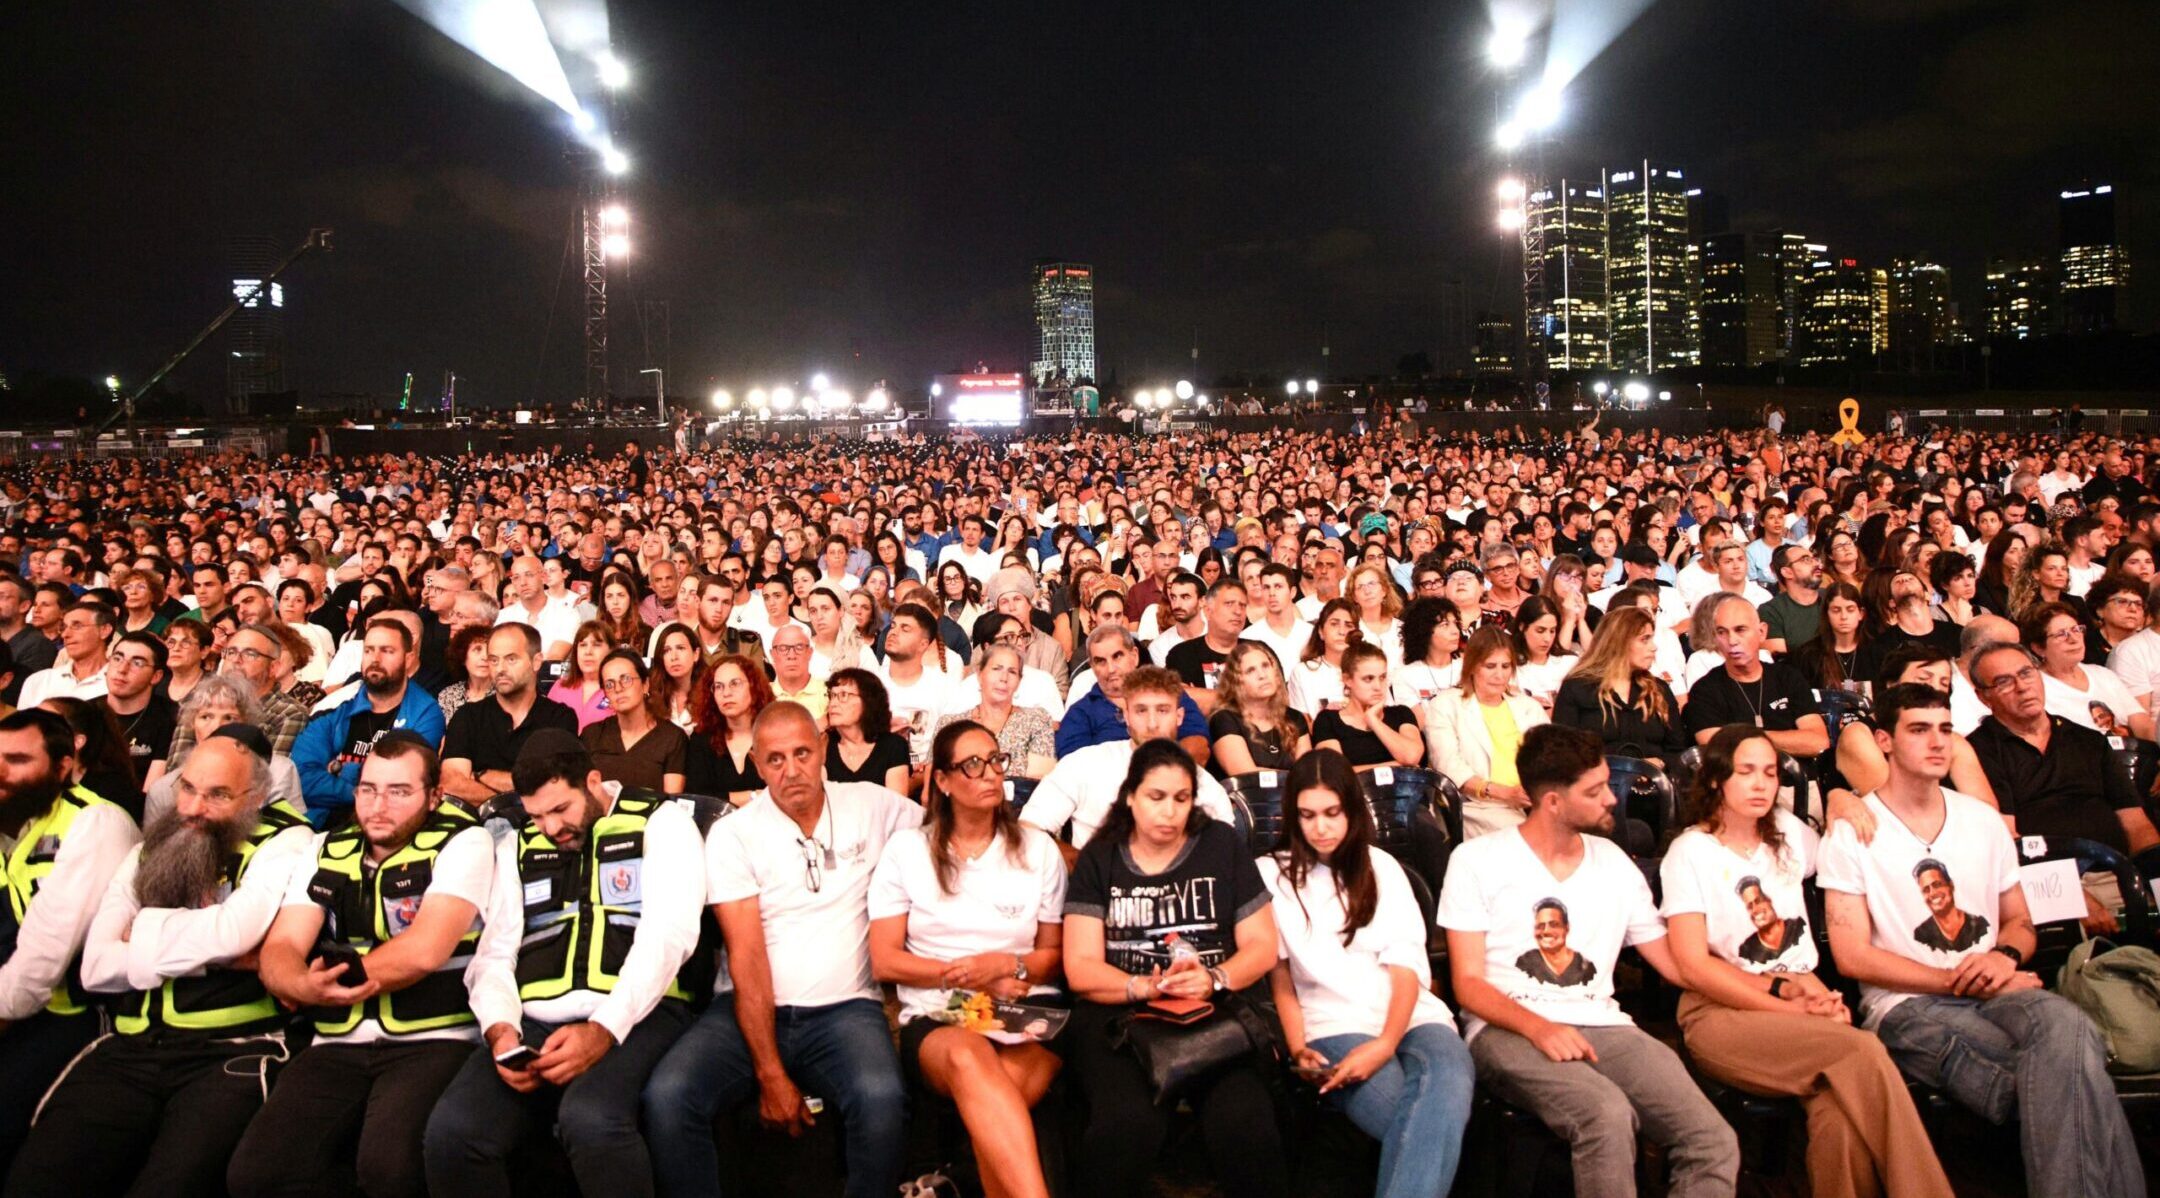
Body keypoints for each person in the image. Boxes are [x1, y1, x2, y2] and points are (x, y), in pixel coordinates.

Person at [1819, 682, 2146, 1198]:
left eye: (1945, 729)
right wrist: (1960, 979)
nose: (1937, 742)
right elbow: (1852, 955)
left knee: (2069, 1028)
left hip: (1997, 987)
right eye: (1919, 730)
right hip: (1908, 1004)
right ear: (1884, 741)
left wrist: (2004, 956)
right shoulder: (1854, 831)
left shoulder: (1982, 821)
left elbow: (2019, 921)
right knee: (2069, 1074)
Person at [1437, 723, 1739, 1198]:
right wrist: (1540, 1028)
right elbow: (1468, 984)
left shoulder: (1613, 861)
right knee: (1605, 1113)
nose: (1612, 799)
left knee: (1712, 1140)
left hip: (1604, 1024)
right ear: (1553, 802)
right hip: (1506, 1027)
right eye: (1595, 791)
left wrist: (1772, 988)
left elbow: (1675, 963)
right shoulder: (1476, 860)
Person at [7, 731, 314, 1198]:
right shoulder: (157, 841)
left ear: (255, 797)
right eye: (187, 788)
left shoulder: (287, 840)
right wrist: (217, 956)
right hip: (129, 1045)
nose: (193, 808)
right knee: (37, 1180)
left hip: (231, 1050)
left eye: (217, 795)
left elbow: (233, 932)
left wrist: (143, 929)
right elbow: (97, 966)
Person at [1661, 724, 1954, 1198]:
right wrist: (1789, 1004)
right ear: (1716, 778)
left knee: (1839, 1111)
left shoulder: (1789, 835)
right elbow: (1694, 967)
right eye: (1745, 772)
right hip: (1721, 1008)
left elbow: (1855, 855)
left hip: (1804, 993)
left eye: (1770, 773)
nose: (1761, 784)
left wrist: (1838, 798)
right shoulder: (1689, 852)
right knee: (1861, 1052)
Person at [642, 702, 919, 1198]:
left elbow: (949, 832)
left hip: (845, 1010)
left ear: (823, 748)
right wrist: (770, 1071)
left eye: (802, 753)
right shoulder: (734, 833)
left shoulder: (875, 806)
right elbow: (746, 955)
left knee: (881, 1098)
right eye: (775, 759)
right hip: (746, 1008)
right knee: (668, 1096)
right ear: (755, 763)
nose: (791, 770)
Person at [423, 730, 703, 1198]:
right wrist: (500, 1030)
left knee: (591, 1119)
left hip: (642, 1015)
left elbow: (669, 936)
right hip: (533, 1025)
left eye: (560, 809)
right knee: (453, 1132)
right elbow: (494, 953)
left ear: (593, 781)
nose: (551, 827)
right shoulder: (516, 845)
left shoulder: (661, 822)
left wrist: (603, 1028)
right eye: (536, 816)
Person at [229, 734, 494, 1198]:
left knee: (389, 1170)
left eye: (399, 792)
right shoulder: (326, 846)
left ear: (434, 796)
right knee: (254, 1176)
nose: (379, 806)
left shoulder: (465, 840)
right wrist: (296, 982)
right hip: (336, 1040)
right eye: (368, 789)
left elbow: (424, 950)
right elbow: (284, 943)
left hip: (436, 1039)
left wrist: (322, 984)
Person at [1059, 739, 1289, 1198]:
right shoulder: (1101, 856)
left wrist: (1214, 978)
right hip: (1120, 1019)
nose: (1169, 812)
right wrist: (1144, 986)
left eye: (1181, 799)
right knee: (1128, 1124)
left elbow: (1262, 945)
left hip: (1212, 1013)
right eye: (1156, 797)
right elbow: (1080, 968)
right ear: (1130, 797)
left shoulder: (1220, 844)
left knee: (1244, 1122)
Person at [868, 721, 1067, 1198]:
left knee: (993, 1102)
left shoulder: (1038, 850)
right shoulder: (907, 851)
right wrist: (964, 975)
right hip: (941, 1015)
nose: (991, 773)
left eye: (996, 760)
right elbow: (884, 961)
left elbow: (1054, 957)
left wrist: (1007, 966)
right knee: (969, 1057)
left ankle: (960, 1178)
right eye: (973, 764)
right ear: (942, 780)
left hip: (1027, 1011)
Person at [1263, 748, 1473, 1198]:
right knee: (1424, 1123)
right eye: (1307, 815)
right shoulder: (1270, 875)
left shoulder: (1382, 866)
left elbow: (1406, 968)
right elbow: (1280, 977)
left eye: (1332, 813)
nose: (1320, 827)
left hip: (1412, 1016)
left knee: (1449, 1084)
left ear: (1352, 811)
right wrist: (1297, 1047)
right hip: (1332, 1025)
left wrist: (1385, 1044)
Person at [0, 708, 140, 1172]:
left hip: (72, 1014)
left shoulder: (95, 824)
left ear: (63, 767)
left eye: (18, 760)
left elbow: (41, 961)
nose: (2, 772)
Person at [1964, 639, 2160, 927]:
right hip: (2038, 883)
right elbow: (2006, 841)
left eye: (2026, 673)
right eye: (2004, 682)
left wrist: (2156, 884)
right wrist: (2070, 896)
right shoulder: (1978, 752)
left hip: (2120, 874)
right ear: (1983, 697)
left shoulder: (2089, 740)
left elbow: (2136, 825)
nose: (2022, 687)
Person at [1022, 666, 1233, 854]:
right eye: (1141, 711)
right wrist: (1086, 868)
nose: (1152, 723)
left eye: (1162, 710)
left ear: (1179, 717)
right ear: (1127, 716)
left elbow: (1224, 856)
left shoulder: (1206, 787)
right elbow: (1030, 829)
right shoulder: (1084, 764)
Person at [289, 616, 446, 826]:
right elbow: (302, 776)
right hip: (320, 824)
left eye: (387, 651)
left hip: (390, 825)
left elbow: (402, 783)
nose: (375, 659)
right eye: (369, 650)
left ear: (408, 659)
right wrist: (361, 789)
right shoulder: (335, 704)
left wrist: (340, 769)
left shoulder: (425, 712)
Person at [1426, 625, 1550, 837]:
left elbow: (1551, 756)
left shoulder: (1528, 706)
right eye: (1490, 666)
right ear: (1472, 666)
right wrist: (1506, 794)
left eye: (1505, 666)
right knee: (1527, 836)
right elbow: (1448, 766)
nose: (1499, 675)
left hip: (1533, 801)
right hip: (1479, 805)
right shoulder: (1445, 705)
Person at [438, 623, 579, 804]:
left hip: (541, 821)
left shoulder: (559, 717)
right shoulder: (467, 716)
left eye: (511, 659)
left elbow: (553, 785)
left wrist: (482, 776)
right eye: (494, 660)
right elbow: (451, 783)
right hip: (474, 821)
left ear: (536, 662)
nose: (500, 669)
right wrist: (506, 803)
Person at [1684, 595, 1832, 759]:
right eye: (1722, 632)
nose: (1732, 641)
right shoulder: (1705, 690)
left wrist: (1743, 738)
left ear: (1762, 632)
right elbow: (1715, 745)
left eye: (1740, 630)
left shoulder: (1788, 677)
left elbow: (1818, 742)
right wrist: (1787, 740)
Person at [1055, 624, 1210, 764]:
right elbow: (1074, 769)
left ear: (1134, 656)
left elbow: (1199, 748)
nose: (1111, 669)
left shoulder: (1168, 694)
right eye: (1100, 661)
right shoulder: (1080, 713)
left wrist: (1157, 774)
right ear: (1092, 666)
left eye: (1117, 656)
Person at [1553, 605, 1687, 765]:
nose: (1654, 647)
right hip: (1598, 779)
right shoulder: (1576, 688)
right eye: (1644, 639)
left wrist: (1658, 764)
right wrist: (1625, 768)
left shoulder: (1659, 690)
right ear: (1619, 642)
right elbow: (1563, 753)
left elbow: (1677, 751)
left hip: (1655, 779)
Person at [2021, 600, 2150, 739]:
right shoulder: (2035, 688)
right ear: (2038, 648)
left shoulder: (2103, 675)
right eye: (2061, 634)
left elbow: (2142, 724)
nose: (2073, 639)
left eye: (2076, 629)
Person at [934, 642, 1059, 781]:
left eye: (1012, 672)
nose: (1004, 678)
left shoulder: (1037, 720)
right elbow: (935, 783)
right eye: (996, 669)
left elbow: (1038, 783)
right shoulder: (949, 725)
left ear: (1019, 681)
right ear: (980, 675)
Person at [583, 650, 688, 795]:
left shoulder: (672, 738)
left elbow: (671, 800)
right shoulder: (592, 734)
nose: (618, 689)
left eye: (626, 679)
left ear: (645, 684)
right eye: (609, 684)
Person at [1312, 642, 1423, 771]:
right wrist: (1396, 766)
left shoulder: (1401, 713)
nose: (1378, 686)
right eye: (1368, 679)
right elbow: (1336, 773)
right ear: (1347, 679)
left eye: (1382, 677)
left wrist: (1373, 720)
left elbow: (1411, 757)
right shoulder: (1328, 720)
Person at [1207, 639, 1311, 776]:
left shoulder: (1294, 717)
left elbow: (1307, 775)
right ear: (1236, 681)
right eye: (1250, 671)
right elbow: (1245, 775)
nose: (1262, 675)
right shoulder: (1224, 719)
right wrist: (1293, 777)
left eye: (1265, 666)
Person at [688, 653, 771, 804]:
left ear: (753, 686)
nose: (726, 693)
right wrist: (754, 796)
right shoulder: (702, 738)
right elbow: (697, 797)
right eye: (718, 686)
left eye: (735, 683)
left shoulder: (775, 734)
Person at [103, 630, 178, 789]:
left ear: (156, 676)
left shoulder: (170, 718)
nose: (122, 669)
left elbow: (151, 793)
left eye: (137, 663)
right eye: (117, 658)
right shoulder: (82, 712)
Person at [823, 667, 912, 792]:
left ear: (868, 701)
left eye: (843, 695)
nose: (833, 703)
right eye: (832, 696)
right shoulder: (823, 744)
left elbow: (896, 801)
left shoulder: (893, 746)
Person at [17, 601, 113, 708]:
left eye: (77, 626)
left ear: (104, 630)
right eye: (64, 627)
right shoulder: (38, 681)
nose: (65, 635)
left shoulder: (117, 684)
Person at [1289, 598, 1360, 718]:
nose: (1342, 631)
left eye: (1348, 625)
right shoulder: (1303, 672)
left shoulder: (1368, 668)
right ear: (1321, 632)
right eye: (1334, 624)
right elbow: (1301, 724)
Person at [547, 621, 618, 731]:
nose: (588, 652)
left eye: (596, 645)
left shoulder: (620, 689)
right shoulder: (559, 687)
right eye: (583, 645)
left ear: (611, 651)